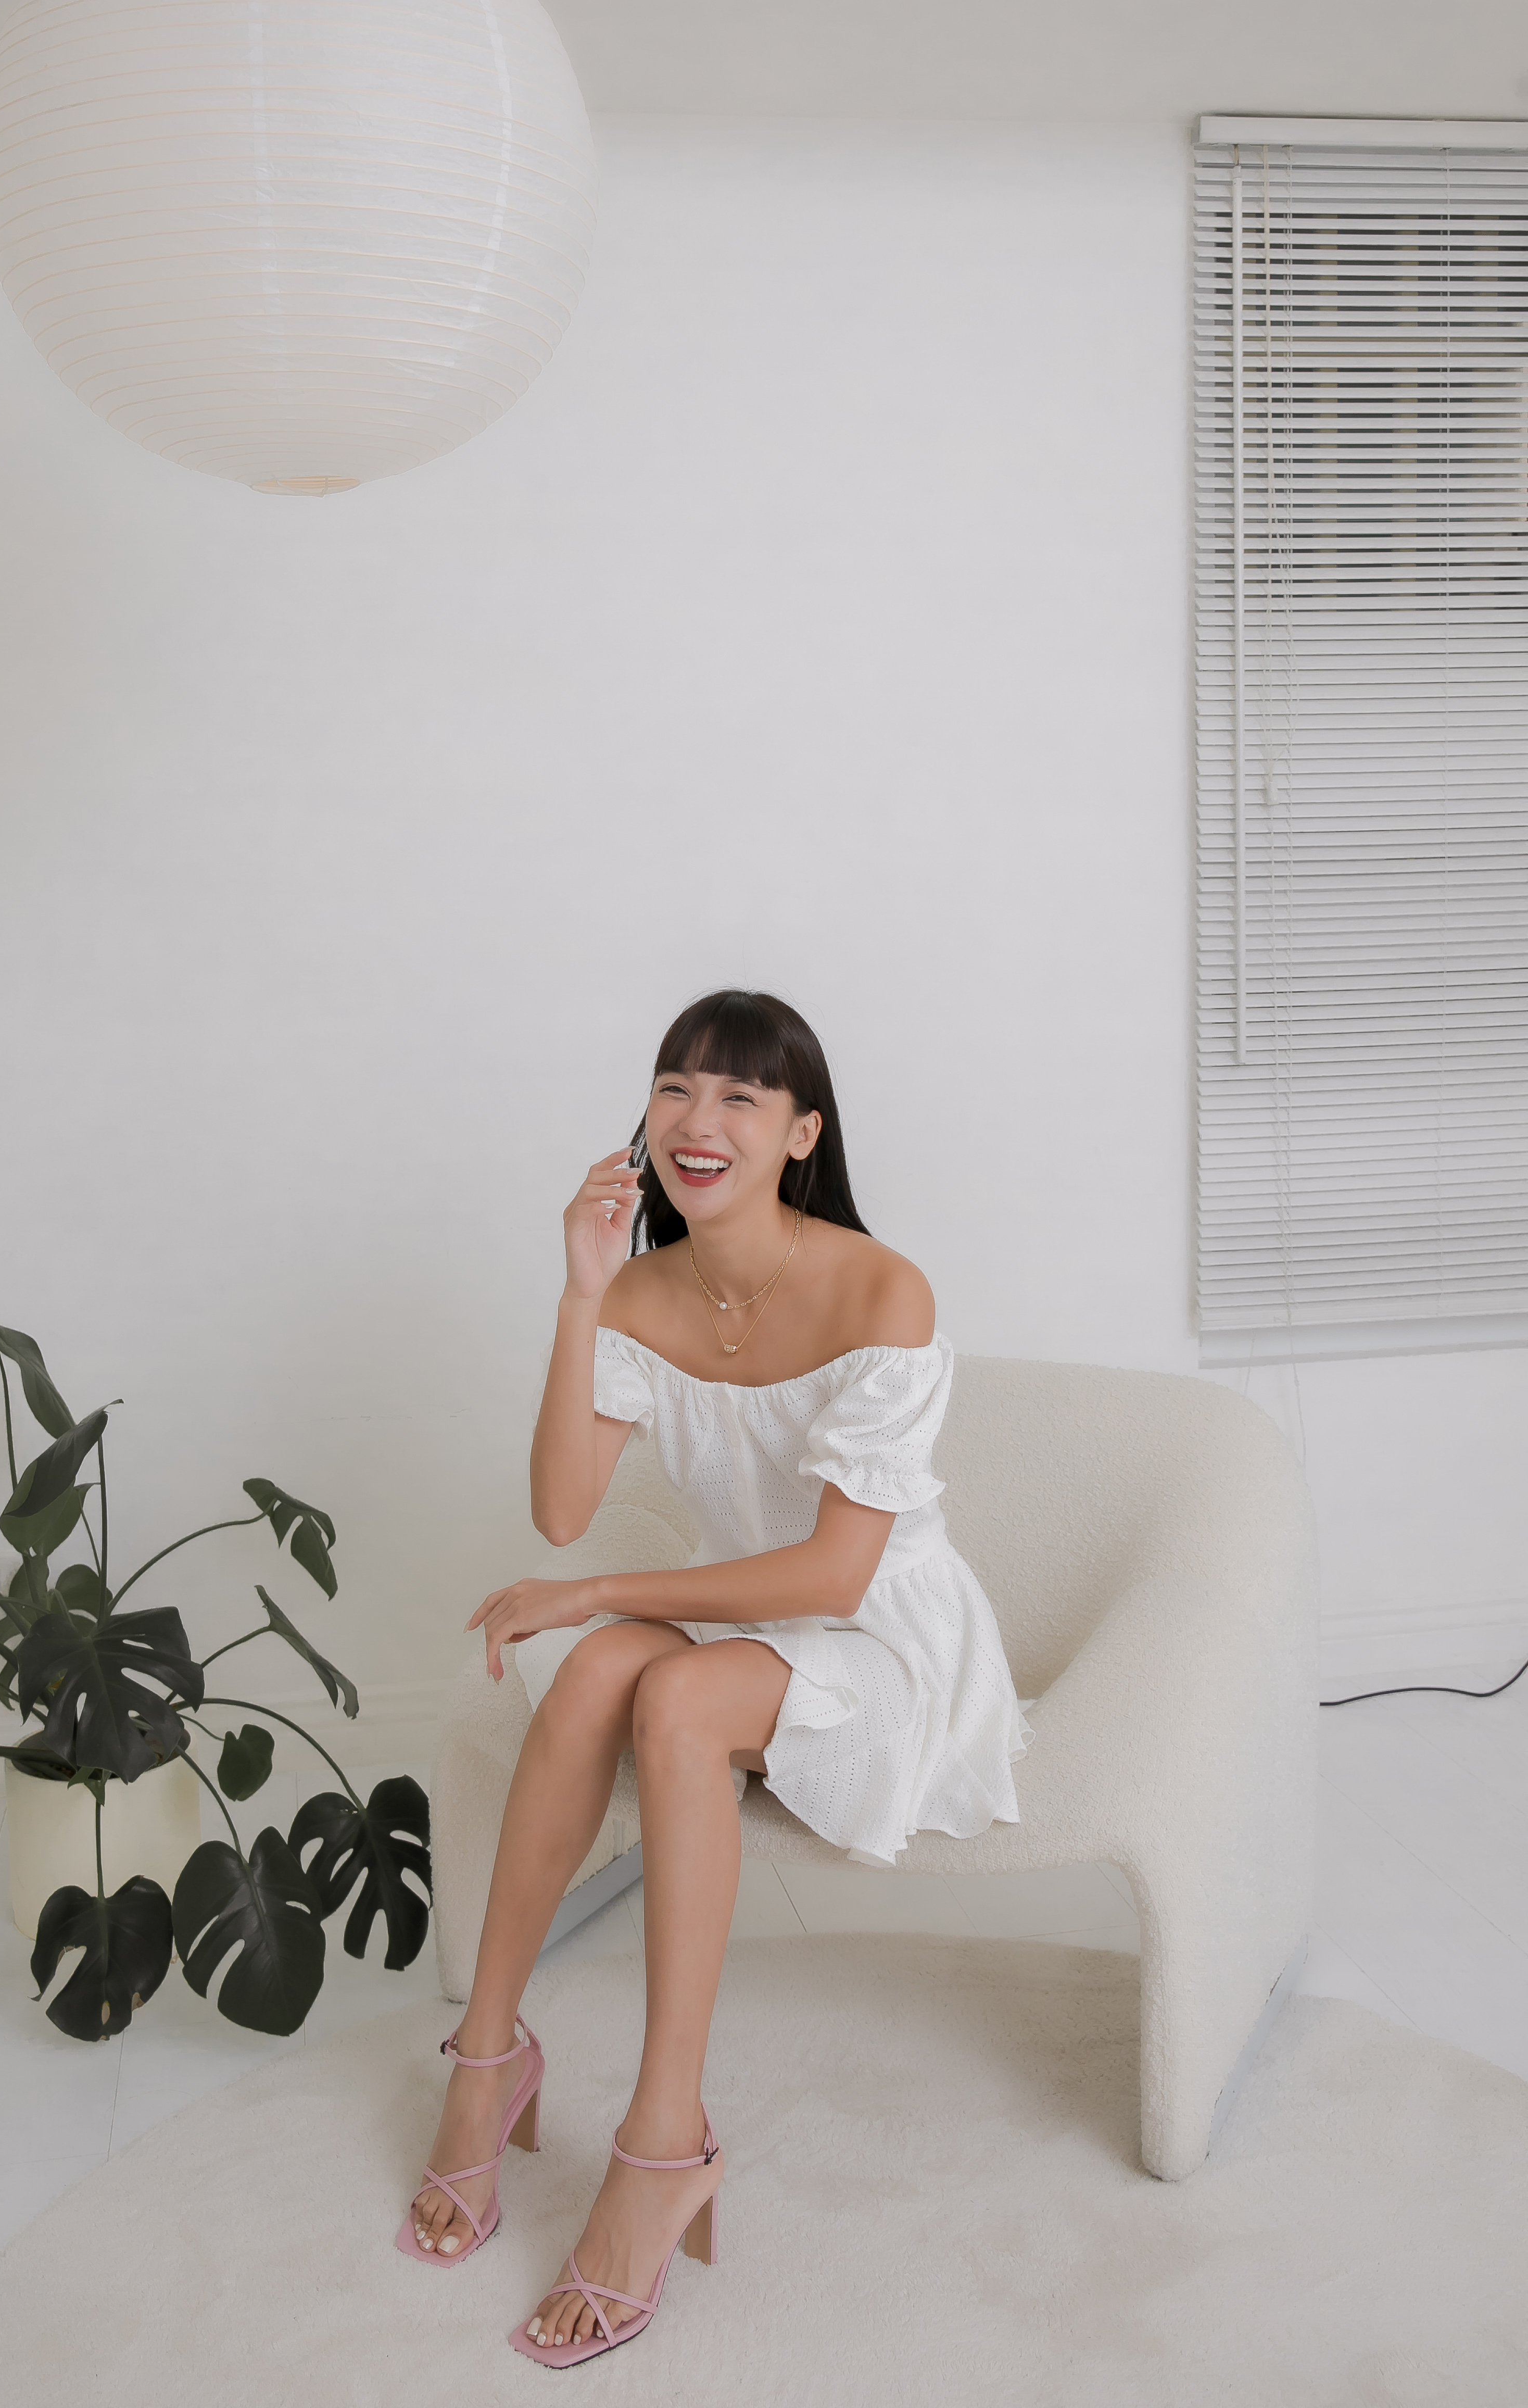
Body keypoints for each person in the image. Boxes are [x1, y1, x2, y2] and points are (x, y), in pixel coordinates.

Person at [399, 988, 1030, 2365]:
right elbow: (563, 1512)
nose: (700, 1119)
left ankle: (664, 2137)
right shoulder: (642, 1290)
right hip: (738, 1614)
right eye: (677, 1087)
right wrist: (582, 1294)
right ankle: (488, 2058)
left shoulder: (882, 1289)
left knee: (665, 1686)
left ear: (803, 1134)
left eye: (743, 1096)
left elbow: (835, 1578)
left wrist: (602, 1592)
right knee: (592, 1680)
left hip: (880, 1638)